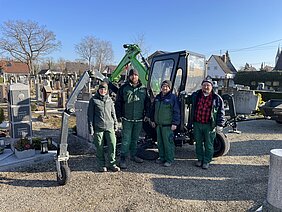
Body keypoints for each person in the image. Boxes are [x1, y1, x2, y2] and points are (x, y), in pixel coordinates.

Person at [115, 68, 150, 169]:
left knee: (135, 139)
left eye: (135, 75)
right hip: (127, 119)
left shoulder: (143, 89)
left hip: (139, 119)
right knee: (126, 140)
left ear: (138, 76)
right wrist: (119, 115)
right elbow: (118, 102)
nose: (134, 77)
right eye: (132, 75)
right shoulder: (124, 88)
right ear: (129, 76)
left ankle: (133, 155)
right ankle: (123, 158)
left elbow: (148, 103)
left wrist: (147, 115)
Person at [189, 78, 225, 169]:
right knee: (198, 143)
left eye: (208, 85)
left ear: (211, 87)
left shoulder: (217, 98)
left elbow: (221, 112)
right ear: (201, 86)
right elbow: (187, 100)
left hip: (209, 125)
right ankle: (200, 159)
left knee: (209, 144)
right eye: (204, 85)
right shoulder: (196, 95)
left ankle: (206, 161)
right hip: (197, 124)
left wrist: (220, 124)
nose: (206, 87)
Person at [87, 82, 120, 172]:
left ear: (107, 90)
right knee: (99, 147)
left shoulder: (110, 100)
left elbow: (113, 113)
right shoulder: (93, 100)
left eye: (104, 89)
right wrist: (91, 129)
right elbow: (90, 116)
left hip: (109, 126)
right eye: (101, 89)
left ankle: (112, 164)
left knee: (112, 144)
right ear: (98, 90)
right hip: (98, 127)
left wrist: (115, 124)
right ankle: (101, 164)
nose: (103, 91)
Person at [151, 80, 180, 167]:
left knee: (168, 143)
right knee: (160, 143)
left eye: (167, 86)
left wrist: (175, 123)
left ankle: (169, 159)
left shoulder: (173, 98)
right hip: (159, 125)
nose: (164, 88)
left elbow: (176, 111)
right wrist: (152, 120)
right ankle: (162, 157)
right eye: (163, 86)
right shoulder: (158, 97)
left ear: (170, 88)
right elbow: (153, 110)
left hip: (168, 126)